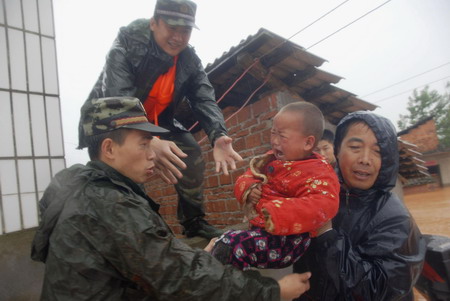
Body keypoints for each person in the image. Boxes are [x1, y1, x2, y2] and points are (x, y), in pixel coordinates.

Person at [31, 96, 312, 300]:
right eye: (143, 144)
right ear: (109, 149)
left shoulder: (82, 189)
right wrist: (271, 291)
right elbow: (176, 276)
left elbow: (144, 263)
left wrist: (190, 259)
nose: (152, 154)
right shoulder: (108, 202)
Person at [78, 0, 242, 239]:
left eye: (185, 30)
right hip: (112, 121)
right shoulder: (126, 45)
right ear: (154, 23)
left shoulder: (188, 60)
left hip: (158, 120)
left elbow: (204, 98)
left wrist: (218, 135)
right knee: (129, 165)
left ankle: (194, 221)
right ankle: (138, 230)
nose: (178, 37)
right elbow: (117, 98)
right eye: (171, 28)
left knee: (190, 152)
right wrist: (148, 140)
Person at [293, 111, 426, 300]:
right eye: (355, 147)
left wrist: (325, 232)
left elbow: (376, 291)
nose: (365, 159)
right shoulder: (319, 192)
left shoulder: (395, 218)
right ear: (338, 150)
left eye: (378, 151)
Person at [211, 102, 340, 270]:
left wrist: (278, 212)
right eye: (273, 133)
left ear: (308, 143)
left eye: (282, 136)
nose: (275, 141)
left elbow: (324, 204)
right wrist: (249, 188)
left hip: (288, 242)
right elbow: (247, 176)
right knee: (224, 242)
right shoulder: (270, 159)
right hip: (260, 231)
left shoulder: (318, 172)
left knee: (230, 245)